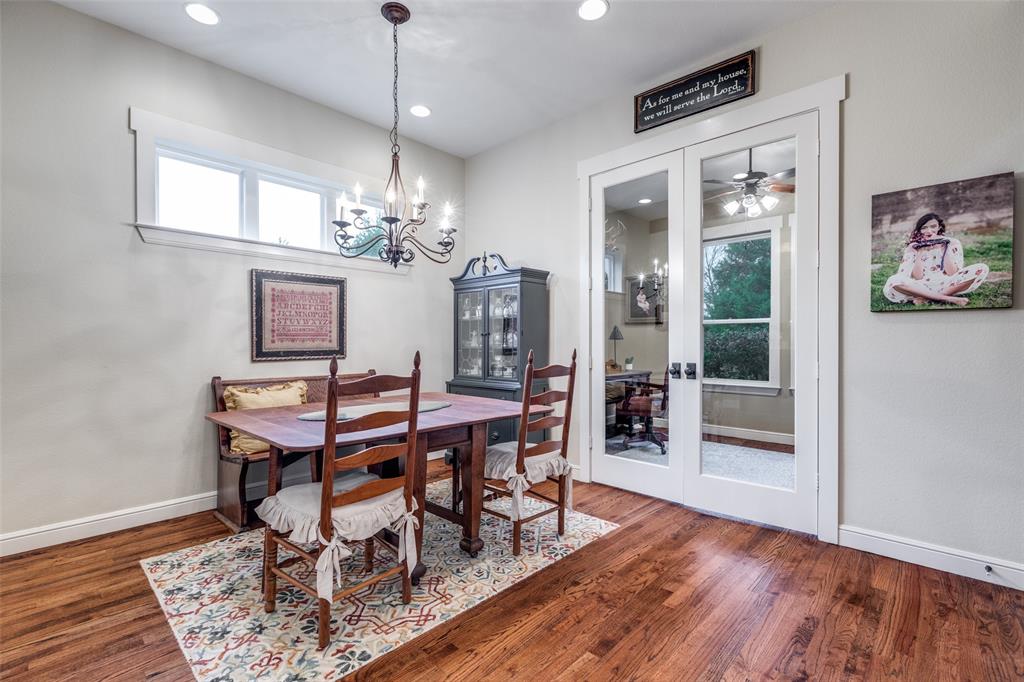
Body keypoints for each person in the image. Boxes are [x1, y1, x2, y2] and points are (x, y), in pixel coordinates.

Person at [883, 213, 989, 307]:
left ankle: (928, 298)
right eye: (924, 228)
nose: (929, 231)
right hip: (921, 286)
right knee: (893, 280)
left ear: (939, 227)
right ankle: (947, 298)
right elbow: (918, 277)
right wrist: (920, 252)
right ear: (919, 230)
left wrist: (944, 248)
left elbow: (952, 273)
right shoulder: (913, 247)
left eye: (933, 226)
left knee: (982, 268)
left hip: (948, 284)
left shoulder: (952, 242)